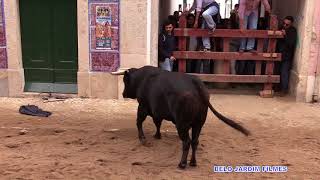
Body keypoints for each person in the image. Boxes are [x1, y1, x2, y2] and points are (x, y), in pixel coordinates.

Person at [276, 16, 297, 96]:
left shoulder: (293, 31)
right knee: (277, 70)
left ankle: (284, 90)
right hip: (279, 53)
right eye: (284, 23)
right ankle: (277, 87)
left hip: (287, 55)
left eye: (287, 24)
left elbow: (291, 44)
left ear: (291, 24)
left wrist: (285, 35)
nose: (284, 25)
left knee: (284, 72)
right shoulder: (281, 28)